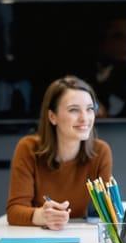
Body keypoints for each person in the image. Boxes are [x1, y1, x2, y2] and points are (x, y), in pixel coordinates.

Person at [6, 75, 113, 229]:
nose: (85, 118)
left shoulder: (101, 151)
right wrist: (42, 216)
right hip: (38, 237)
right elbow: (14, 211)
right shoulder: (27, 148)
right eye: (74, 110)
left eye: (90, 109)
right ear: (52, 116)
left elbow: (107, 213)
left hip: (83, 237)